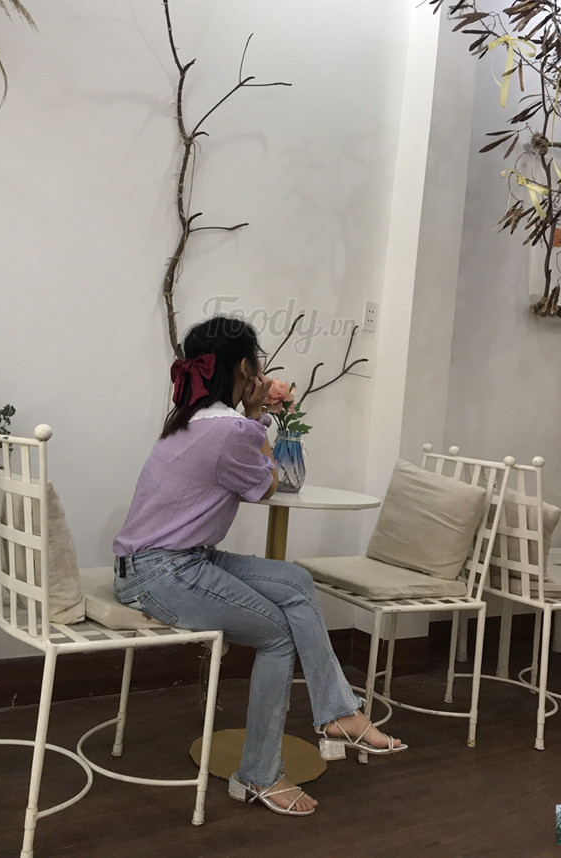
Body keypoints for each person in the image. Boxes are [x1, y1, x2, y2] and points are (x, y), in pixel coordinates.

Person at [113, 315, 406, 816]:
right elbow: (267, 486)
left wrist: (250, 415)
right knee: (277, 635)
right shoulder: (229, 429)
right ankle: (260, 775)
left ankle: (339, 713)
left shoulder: (190, 418)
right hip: (163, 573)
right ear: (246, 369)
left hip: (166, 563)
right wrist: (256, 413)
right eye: (258, 363)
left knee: (294, 580)